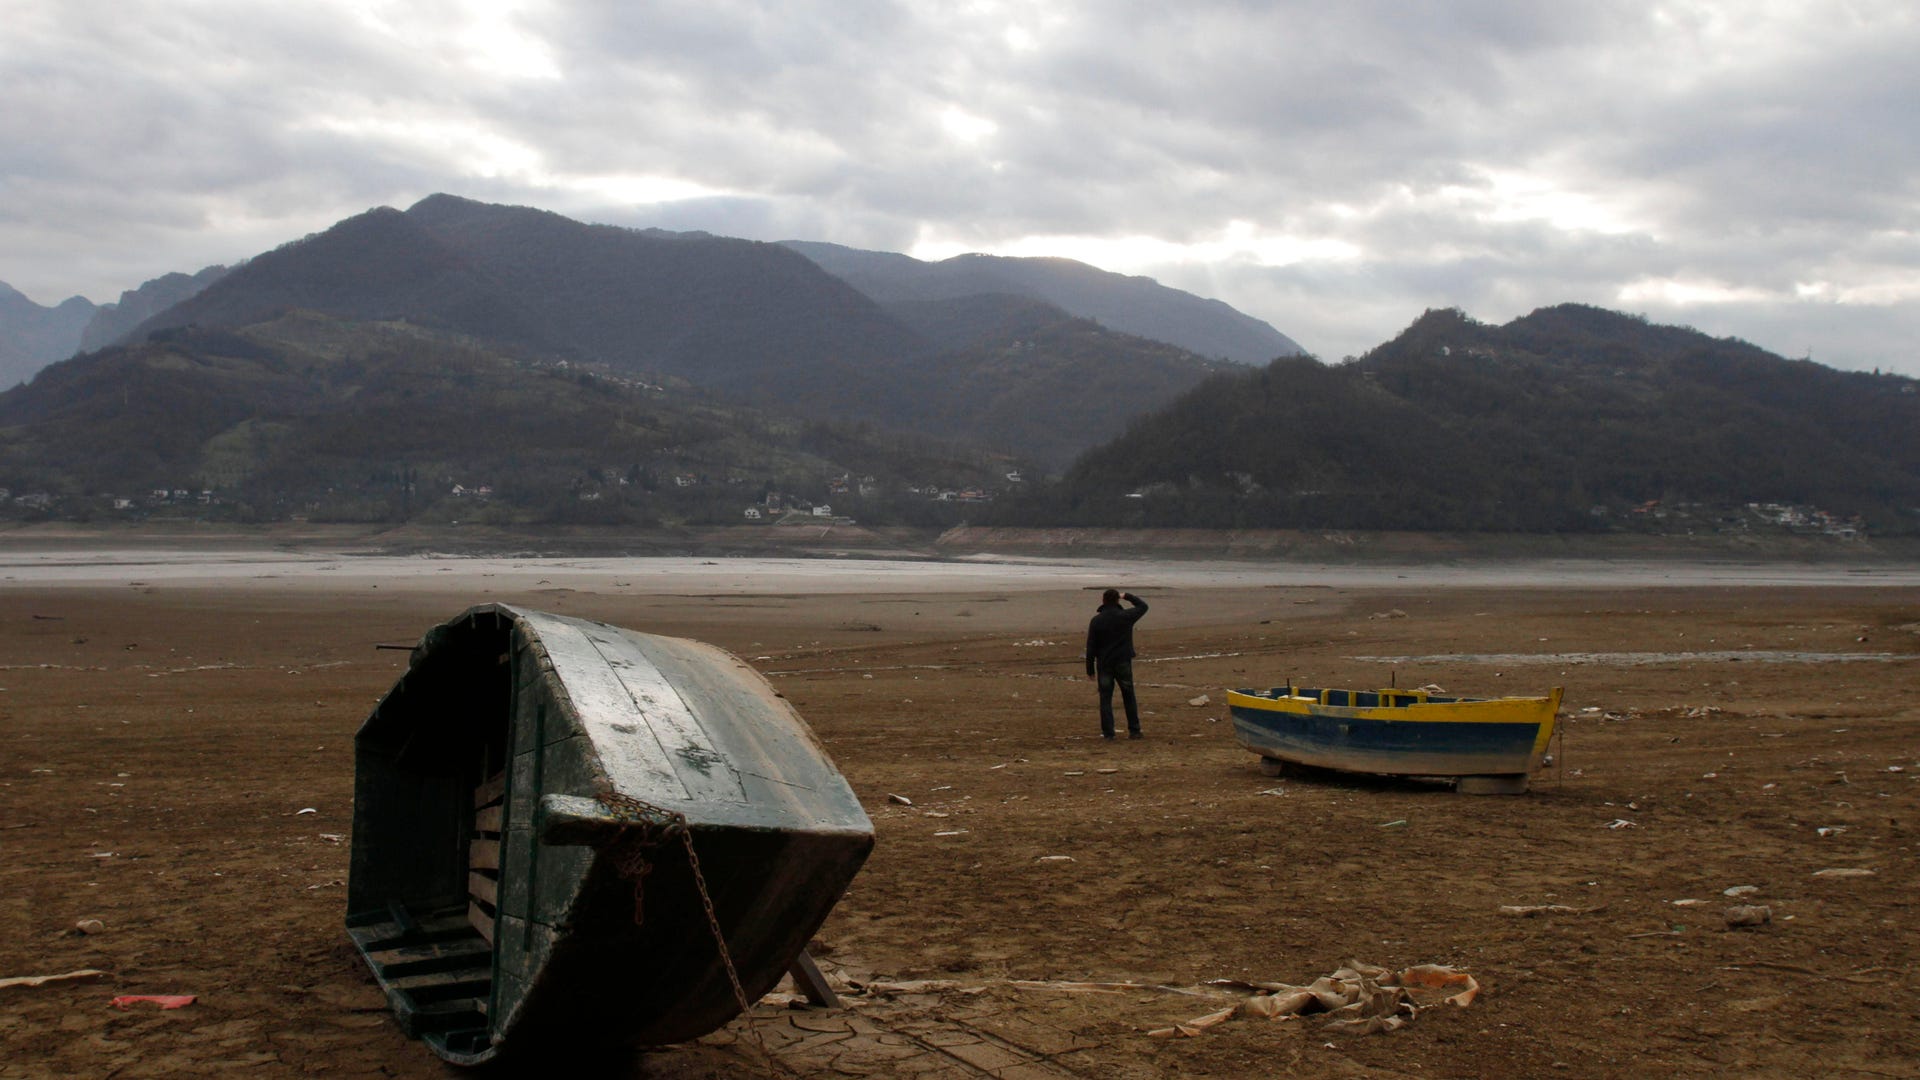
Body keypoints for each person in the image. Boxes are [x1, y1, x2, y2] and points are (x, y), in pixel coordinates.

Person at [1084, 588, 1148, 740]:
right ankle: (1134, 730)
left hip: (1104, 663)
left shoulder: (1097, 620)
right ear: (1117, 600)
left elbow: (1091, 645)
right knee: (1128, 695)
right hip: (1122, 661)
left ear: (1103, 600)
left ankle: (1108, 733)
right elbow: (1143, 606)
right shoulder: (1125, 616)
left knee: (1105, 698)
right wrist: (1127, 595)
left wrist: (1090, 668)